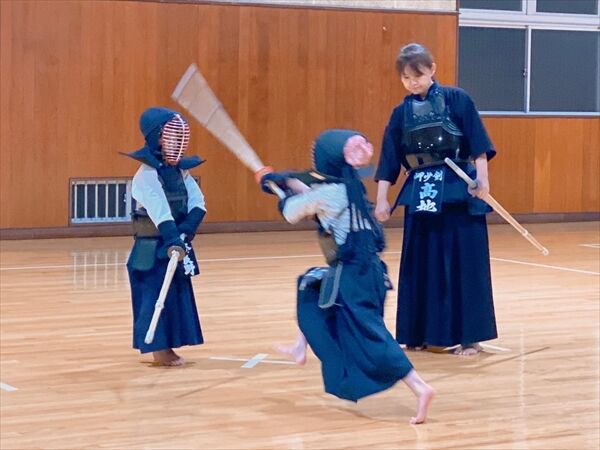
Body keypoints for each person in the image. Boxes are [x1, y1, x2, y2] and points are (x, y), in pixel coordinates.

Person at [261, 129, 435, 424]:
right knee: (311, 288)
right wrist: (283, 181)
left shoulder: (329, 193)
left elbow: (292, 211)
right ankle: (300, 346)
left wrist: (279, 190)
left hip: (355, 277)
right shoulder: (349, 187)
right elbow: (310, 192)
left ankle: (420, 388)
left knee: (372, 336)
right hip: (369, 272)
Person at [374, 43, 497, 356]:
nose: (412, 82)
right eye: (405, 78)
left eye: (417, 75)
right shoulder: (401, 113)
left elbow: (478, 143)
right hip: (421, 191)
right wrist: (382, 199)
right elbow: (389, 159)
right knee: (421, 264)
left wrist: (483, 180)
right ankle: (418, 333)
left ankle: (470, 337)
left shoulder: (458, 99)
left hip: (458, 189)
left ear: (432, 69)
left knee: (464, 263)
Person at [123, 107, 206, 366]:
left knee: (175, 294)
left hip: (176, 242)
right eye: (170, 135)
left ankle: (172, 343)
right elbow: (160, 211)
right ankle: (159, 349)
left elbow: (198, 202)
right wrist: (173, 237)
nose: (176, 141)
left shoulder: (181, 172)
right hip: (152, 249)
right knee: (153, 296)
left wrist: (186, 230)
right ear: (156, 137)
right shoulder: (145, 176)